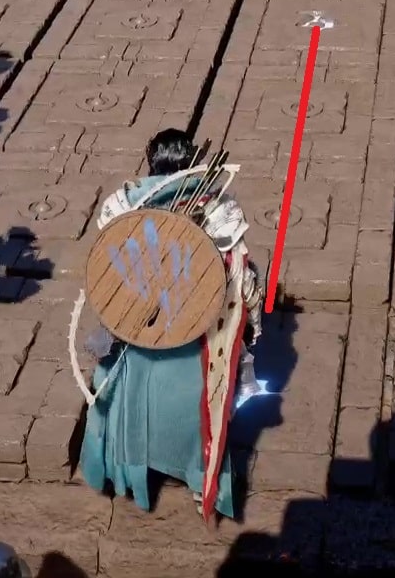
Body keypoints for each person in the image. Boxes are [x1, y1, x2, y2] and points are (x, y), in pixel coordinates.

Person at [79, 129, 265, 519]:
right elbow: (238, 278)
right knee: (199, 411)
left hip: (138, 331)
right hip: (192, 334)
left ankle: (128, 475)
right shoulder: (217, 207)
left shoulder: (123, 204)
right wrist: (250, 323)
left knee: (121, 396)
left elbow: (108, 272)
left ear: (151, 160)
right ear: (192, 161)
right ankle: (201, 483)